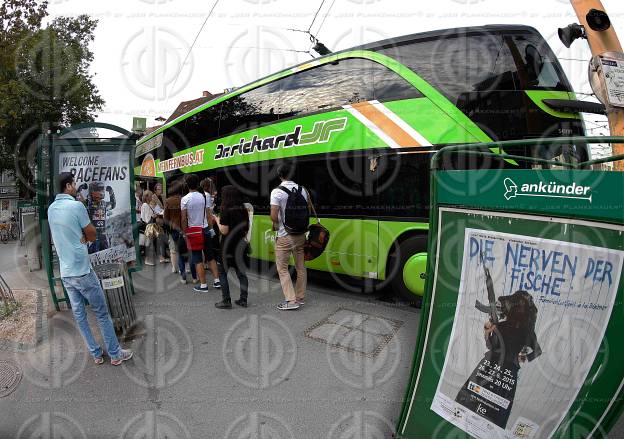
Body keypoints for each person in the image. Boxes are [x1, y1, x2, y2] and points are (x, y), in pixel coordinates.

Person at [47, 172, 133, 366]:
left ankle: (95, 353)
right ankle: (115, 354)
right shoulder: (76, 206)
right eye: (74, 183)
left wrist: (80, 236)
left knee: (80, 315)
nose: (76, 186)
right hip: (82, 270)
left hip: (66, 272)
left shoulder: (51, 209)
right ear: (68, 186)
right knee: (102, 313)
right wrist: (85, 237)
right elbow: (92, 234)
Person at [455, 290, 541, 428]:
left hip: (498, 371)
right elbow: (492, 346)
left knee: (483, 410)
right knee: (480, 408)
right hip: (497, 369)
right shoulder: (512, 328)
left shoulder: (518, 329)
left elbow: (536, 351)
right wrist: (488, 332)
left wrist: (524, 356)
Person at [270, 162, 309, 310]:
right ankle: (299, 297)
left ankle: (291, 301)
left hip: (285, 236)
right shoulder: (303, 190)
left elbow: (274, 216)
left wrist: (277, 222)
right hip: (300, 234)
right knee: (300, 267)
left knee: (283, 268)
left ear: (279, 175)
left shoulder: (277, 192)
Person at [181, 174, 220, 292]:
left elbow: (183, 219)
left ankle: (203, 285)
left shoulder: (185, 199)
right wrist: (211, 228)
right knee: (210, 256)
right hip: (206, 229)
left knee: (197, 258)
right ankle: (217, 281)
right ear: (198, 183)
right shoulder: (205, 196)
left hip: (193, 231)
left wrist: (184, 232)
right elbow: (208, 214)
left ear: (187, 185)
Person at [213, 185, 250, 309]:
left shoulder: (225, 209)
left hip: (227, 247)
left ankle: (226, 300)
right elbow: (246, 230)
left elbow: (224, 230)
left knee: (222, 272)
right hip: (240, 246)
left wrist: (217, 219)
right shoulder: (243, 209)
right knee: (241, 273)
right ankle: (243, 300)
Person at [164, 180, 197, 283]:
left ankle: (183, 277)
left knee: (179, 253)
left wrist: (170, 227)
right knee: (190, 252)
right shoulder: (185, 199)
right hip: (186, 229)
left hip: (174, 231)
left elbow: (166, 218)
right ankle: (195, 277)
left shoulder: (168, 201)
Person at [77, 181, 115, 254]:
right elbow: (79, 202)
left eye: (101, 189)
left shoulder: (104, 204)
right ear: (92, 191)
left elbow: (113, 205)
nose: (100, 192)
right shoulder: (88, 203)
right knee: (93, 254)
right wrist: (80, 188)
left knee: (106, 253)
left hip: (103, 233)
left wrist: (111, 192)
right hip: (92, 234)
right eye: (97, 190)